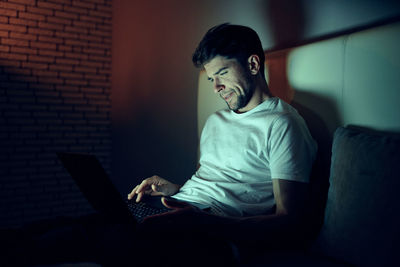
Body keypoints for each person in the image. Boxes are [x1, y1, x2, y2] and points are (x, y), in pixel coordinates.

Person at [127, 23, 317, 261]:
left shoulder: (281, 123)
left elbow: (289, 221)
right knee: (105, 223)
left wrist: (201, 222)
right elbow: (215, 186)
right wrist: (175, 191)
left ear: (253, 65)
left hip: (217, 235)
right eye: (211, 79)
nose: (216, 88)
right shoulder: (215, 120)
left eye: (222, 74)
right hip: (187, 211)